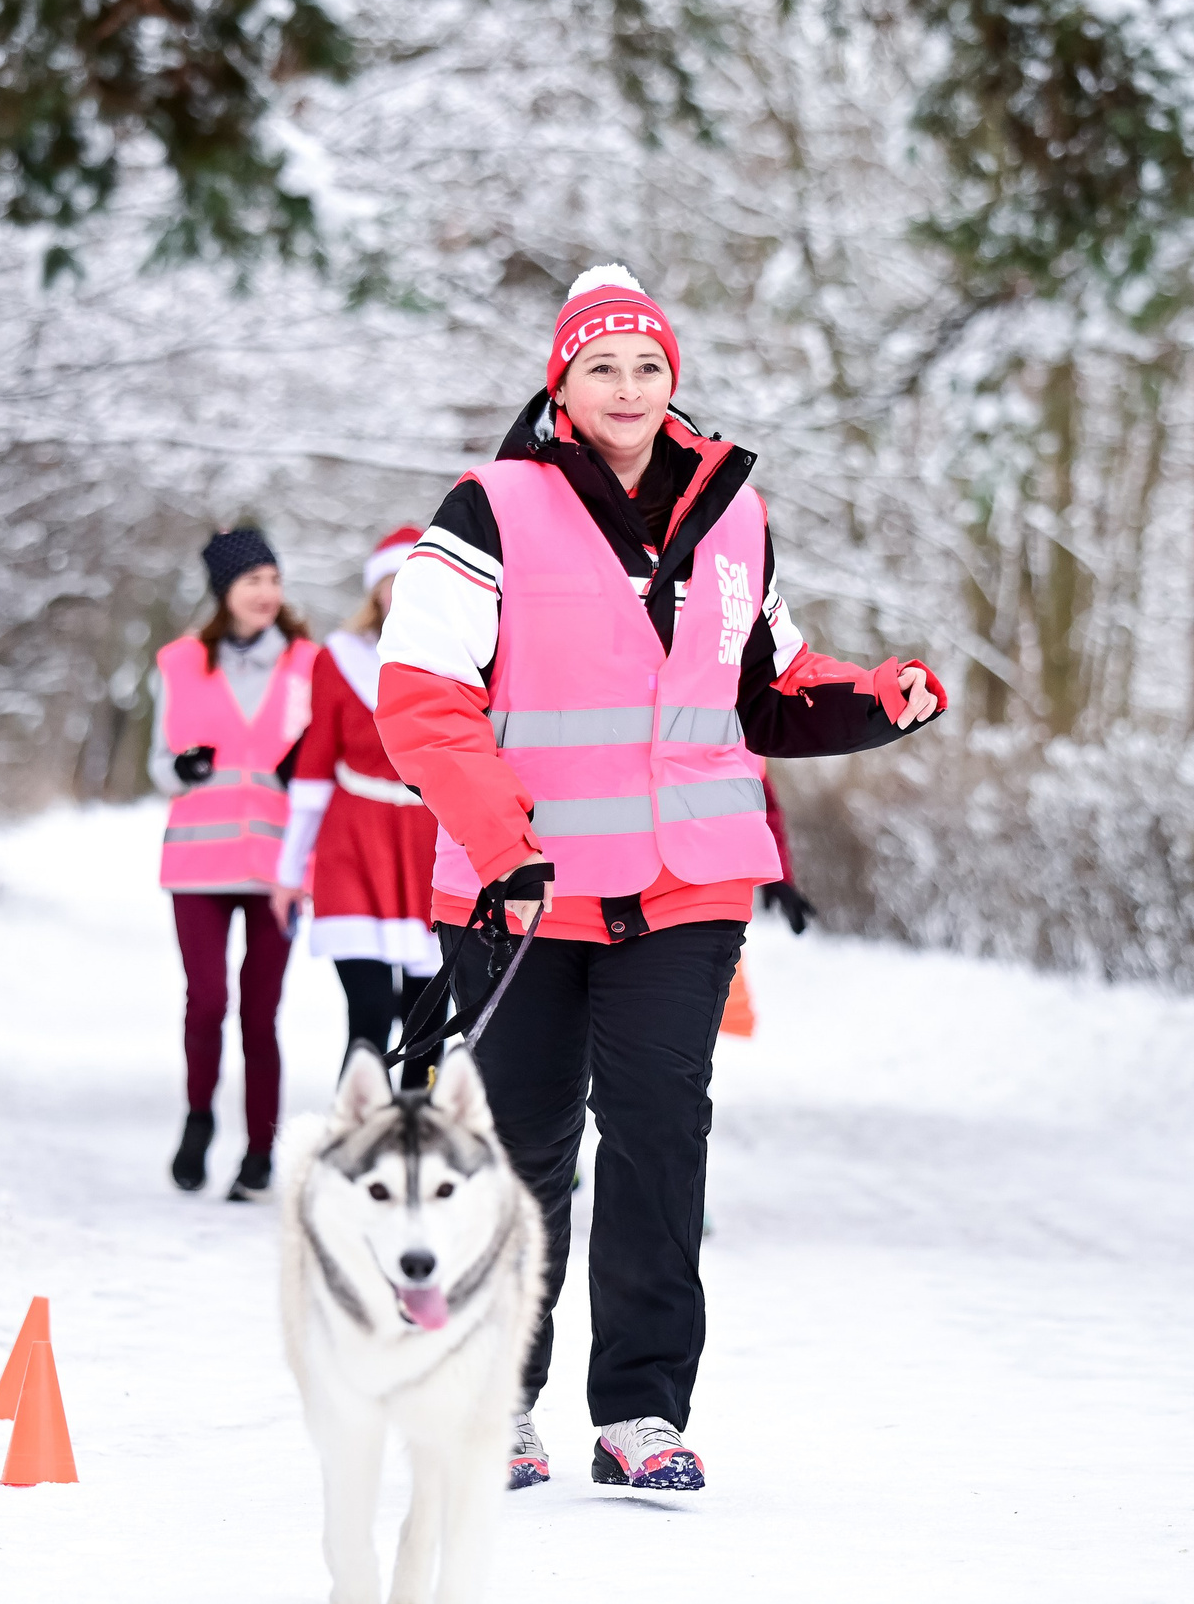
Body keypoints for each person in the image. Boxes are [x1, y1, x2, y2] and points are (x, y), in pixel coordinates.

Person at [375, 265, 947, 1493]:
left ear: (671, 379)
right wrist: (502, 842)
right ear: (561, 385)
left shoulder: (733, 512)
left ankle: (640, 1409)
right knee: (523, 1142)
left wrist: (874, 697)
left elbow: (766, 687)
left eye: (647, 366)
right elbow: (422, 699)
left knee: (656, 1132)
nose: (628, 387)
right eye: (602, 367)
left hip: (688, 880)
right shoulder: (488, 507)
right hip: (520, 886)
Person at [150, 528, 317, 1202]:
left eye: (274, 579)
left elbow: (325, 758)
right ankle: (198, 1120)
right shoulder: (181, 662)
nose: (267, 593)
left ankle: (259, 1151)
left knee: (260, 1011)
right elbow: (160, 765)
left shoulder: (308, 664)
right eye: (253, 581)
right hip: (199, 861)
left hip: (279, 868)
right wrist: (182, 768)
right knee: (208, 1002)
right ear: (225, 590)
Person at [271, 527, 445, 1088]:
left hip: (429, 846)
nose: (405, 591)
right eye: (396, 580)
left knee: (427, 1020)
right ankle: (358, 1130)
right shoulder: (338, 660)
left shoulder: (458, 658)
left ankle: (422, 1130)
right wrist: (289, 873)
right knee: (368, 1012)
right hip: (354, 841)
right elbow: (313, 769)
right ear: (376, 589)